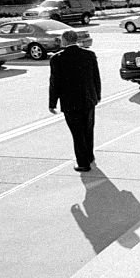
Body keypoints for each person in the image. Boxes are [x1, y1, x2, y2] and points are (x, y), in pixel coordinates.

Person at [49, 29, 101, 172]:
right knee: (88, 129)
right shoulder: (89, 55)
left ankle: (83, 163)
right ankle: (89, 156)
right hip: (89, 99)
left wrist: (52, 103)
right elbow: (96, 77)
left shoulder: (57, 58)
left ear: (64, 40)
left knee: (77, 133)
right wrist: (97, 95)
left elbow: (55, 83)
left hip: (70, 102)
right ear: (76, 40)